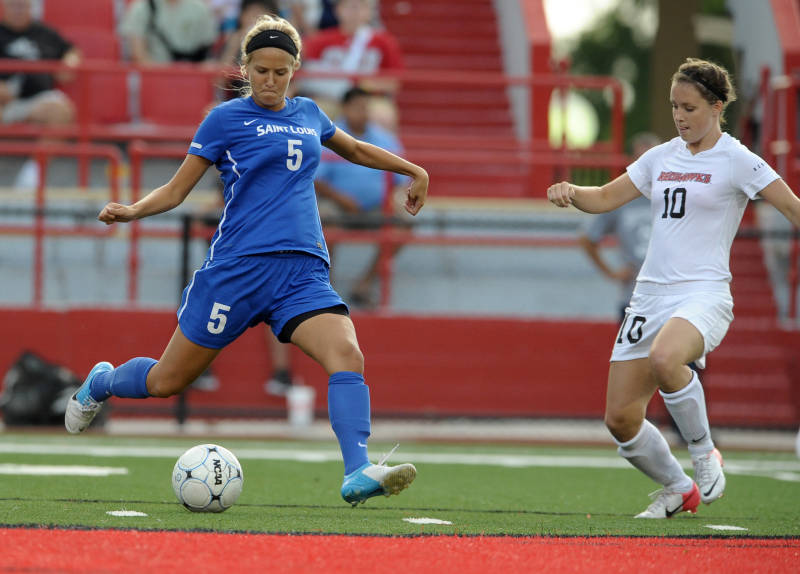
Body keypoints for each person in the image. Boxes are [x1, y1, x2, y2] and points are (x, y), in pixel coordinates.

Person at [64, 14, 428, 507]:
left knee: (347, 354)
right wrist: (132, 210)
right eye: (261, 70)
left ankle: (358, 468)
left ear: (294, 70)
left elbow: (358, 149)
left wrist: (411, 168)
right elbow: (176, 190)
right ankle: (102, 382)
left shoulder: (309, 114)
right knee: (166, 380)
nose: (270, 81)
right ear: (245, 68)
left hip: (301, 271)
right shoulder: (224, 120)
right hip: (237, 271)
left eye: (280, 72)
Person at [547, 58, 800, 519]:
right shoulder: (661, 156)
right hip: (649, 296)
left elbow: (792, 207)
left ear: (717, 106)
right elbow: (604, 197)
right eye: (674, 107)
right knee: (621, 418)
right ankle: (677, 487)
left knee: (667, 359)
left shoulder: (738, 159)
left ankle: (704, 452)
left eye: (689, 107)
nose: (680, 116)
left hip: (702, 294)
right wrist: (571, 191)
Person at [315, 86, 409, 307]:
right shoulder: (330, 136)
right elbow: (317, 180)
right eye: (358, 107)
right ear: (345, 109)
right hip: (337, 206)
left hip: (374, 208)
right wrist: (344, 200)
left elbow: (401, 179)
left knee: (402, 226)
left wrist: (395, 198)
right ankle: (325, 289)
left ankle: (364, 284)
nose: (363, 112)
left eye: (366, 108)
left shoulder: (384, 139)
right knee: (322, 224)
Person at [578, 133, 661, 320]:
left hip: (671, 299)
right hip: (633, 299)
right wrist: (612, 273)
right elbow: (587, 238)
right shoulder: (621, 198)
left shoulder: (675, 195)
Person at [0, 0, 81, 190]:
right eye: (13, 5)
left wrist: (69, 63)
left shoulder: (45, 33)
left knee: (61, 110)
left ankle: (33, 173)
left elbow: (71, 51)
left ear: (31, 7)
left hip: (35, 101)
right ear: (4, 6)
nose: (18, 10)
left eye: (23, 5)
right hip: (2, 103)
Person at [300, 0, 403, 111]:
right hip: (330, 98)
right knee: (313, 110)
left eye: (360, 6)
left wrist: (362, 86)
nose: (355, 11)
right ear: (338, 10)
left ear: (370, 12)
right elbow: (301, 63)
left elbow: (394, 82)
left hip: (369, 99)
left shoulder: (384, 41)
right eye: (349, 6)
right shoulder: (321, 39)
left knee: (382, 114)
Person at [119, 0, 219, 64]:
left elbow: (207, 52)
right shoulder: (141, 7)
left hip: (191, 80)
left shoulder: (200, 8)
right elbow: (138, 55)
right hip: (153, 80)